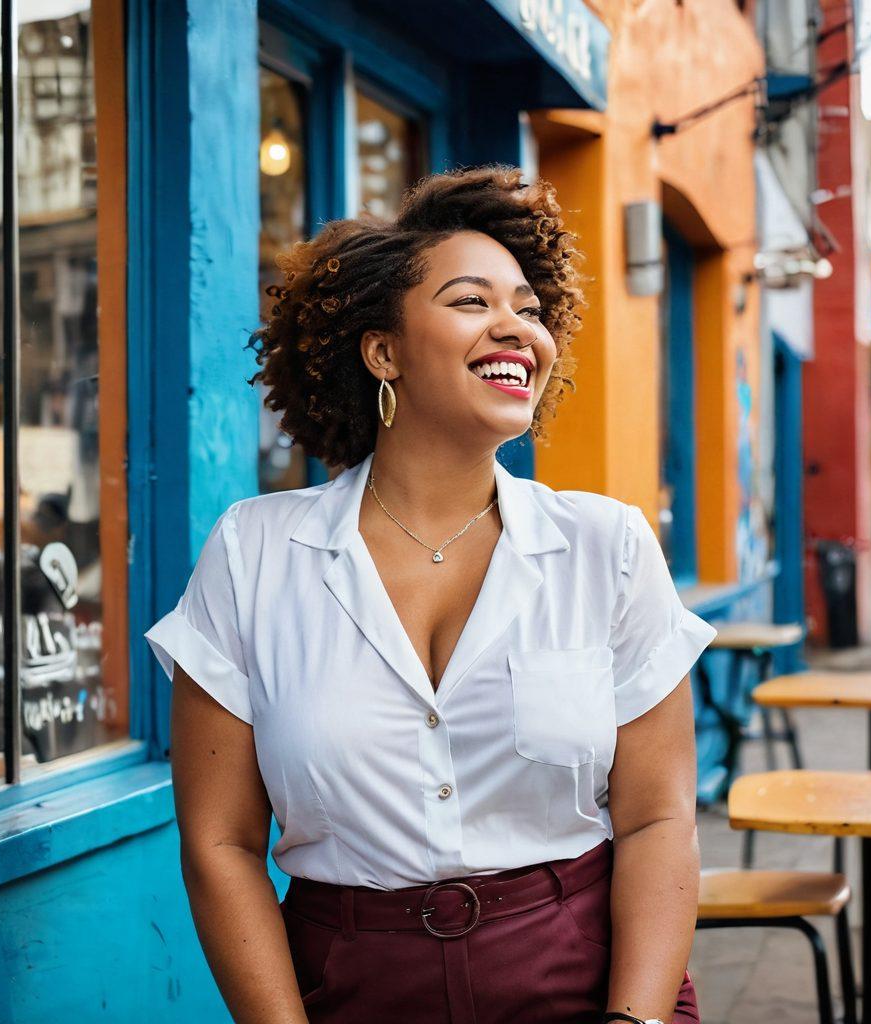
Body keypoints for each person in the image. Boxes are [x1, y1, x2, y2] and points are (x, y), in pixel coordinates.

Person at [144, 166, 717, 1024]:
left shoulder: (609, 545)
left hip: (585, 976)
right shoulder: (255, 550)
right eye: (470, 301)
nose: (515, 328)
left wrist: (632, 1022)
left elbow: (659, 819)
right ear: (383, 351)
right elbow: (220, 841)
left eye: (528, 307)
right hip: (350, 986)